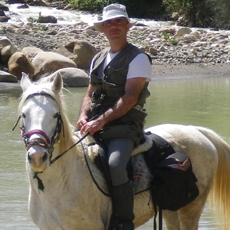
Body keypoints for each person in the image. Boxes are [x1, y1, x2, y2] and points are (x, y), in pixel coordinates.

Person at [76, 3, 152, 230]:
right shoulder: (97, 58)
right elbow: (89, 94)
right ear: (103, 29)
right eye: (109, 23)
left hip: (125, 124)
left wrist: (99, 121)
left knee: (116, 164)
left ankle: (124, 222)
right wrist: (82, 116)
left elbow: (130, 98)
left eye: (119, 22)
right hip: (96, 123)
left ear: (127, 26)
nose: (114, 26)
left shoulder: (138, 58)